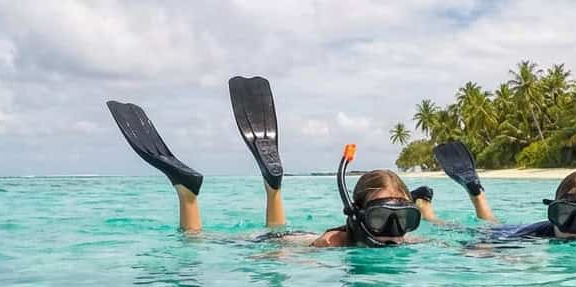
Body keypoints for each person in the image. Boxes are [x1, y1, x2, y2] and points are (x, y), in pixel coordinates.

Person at [107, 76, 432, 248]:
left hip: (290, 235)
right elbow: (281, 255)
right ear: (357, 215)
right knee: (198, 242)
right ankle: (187, 196)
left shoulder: (404, 240)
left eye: (404, 219)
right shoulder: (331, 242)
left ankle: (273, 188)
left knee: (277, 230)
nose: (394, 232)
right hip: (286, 243)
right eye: (380, 220)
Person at [433, 140, 576, 240]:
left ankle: (478, 194)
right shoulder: (539, 233)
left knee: (492, 222)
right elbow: (482, 248)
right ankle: (431, 209)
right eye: (564, 214)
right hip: (512, 233)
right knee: (484, 229)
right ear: (553, 214)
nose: (574, 228)